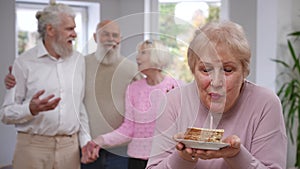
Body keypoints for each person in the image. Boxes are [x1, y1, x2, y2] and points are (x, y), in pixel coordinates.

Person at [146, 20, 287, 169]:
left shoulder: (265, 103)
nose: (216, 82)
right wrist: (183, 157)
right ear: (193, 70)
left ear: (244, 71)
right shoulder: (173, 101)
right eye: (206, 70)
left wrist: (236, 155)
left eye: (227, 69)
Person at [4, 19, 140, 169]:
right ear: (95, 37)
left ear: (120, 38)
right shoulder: (80, 63)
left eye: (115, 35)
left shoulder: (132, 69)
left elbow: (147, 94)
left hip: (119, 150)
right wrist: (13, 80)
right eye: (105, 34)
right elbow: (58, 82)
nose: (110, 39)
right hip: (85, 145)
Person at [0, 3, 90, 169]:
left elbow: (79, 106)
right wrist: (30, 109)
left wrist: (85, 141)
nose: (75, 34)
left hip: (69, 150)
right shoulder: (24, 63)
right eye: (69, 29)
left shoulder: (78, 60)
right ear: (50, 30)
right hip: (32, 149)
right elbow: (5, 113)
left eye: (74, 29)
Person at [82, 39, 182, 169]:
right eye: (138, 53)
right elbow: (128, 129)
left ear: (157, 56)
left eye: (143, 53)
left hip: (167, 159)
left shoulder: (177, 87)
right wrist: (100, 140)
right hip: (137, 161)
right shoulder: (133, 88)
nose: (137, 57)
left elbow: (185, 125)